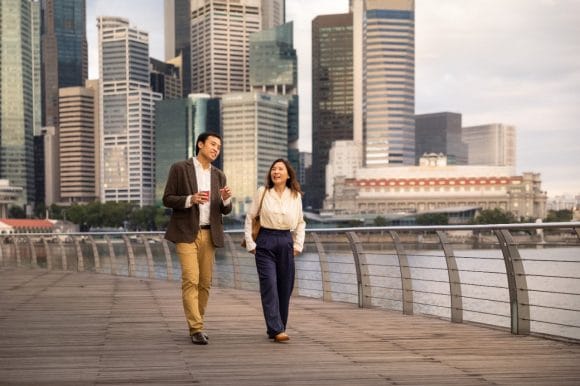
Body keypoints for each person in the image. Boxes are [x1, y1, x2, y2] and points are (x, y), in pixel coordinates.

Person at [163, 132, 233, 345]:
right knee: (191, 279)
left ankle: (197, 322)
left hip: (209, 233)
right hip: (185, 232)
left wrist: (226, 200)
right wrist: (190, 199)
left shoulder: (219, 175)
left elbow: (225, 210)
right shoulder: (179, 168)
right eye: (212, 144)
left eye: (219, 147)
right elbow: (167, 199)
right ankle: (196, 328)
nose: (215, 149)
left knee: (204, 283)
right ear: (200, 144)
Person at [243, 158, 306, 343]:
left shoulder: (295, 195)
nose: (276, 172)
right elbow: (250, 217)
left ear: (288, 175)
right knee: (269, 284)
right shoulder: (263, 192)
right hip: (265, 241)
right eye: (273, 169)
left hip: (286, 241)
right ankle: (276, 328)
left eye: (280, 169)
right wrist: (250, 244)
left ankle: (278, 327)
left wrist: (298, 245)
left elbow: (301, 222)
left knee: (284, 288)